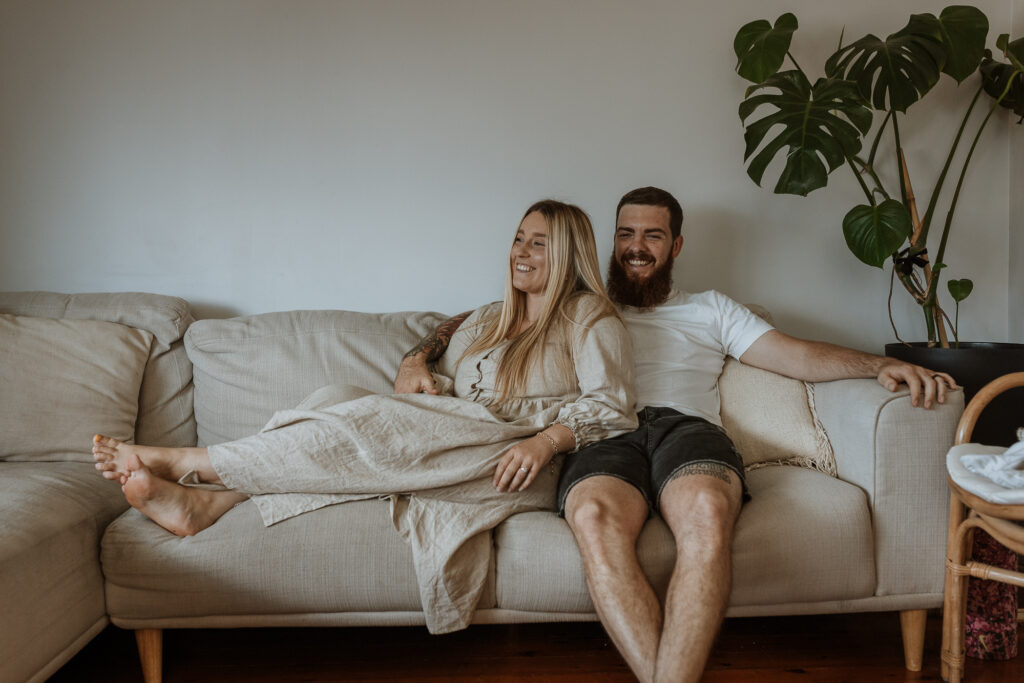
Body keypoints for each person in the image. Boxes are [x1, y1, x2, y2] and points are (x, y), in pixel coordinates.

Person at [393, 186, 958, 680]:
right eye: (626, 233)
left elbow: (797, 355)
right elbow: (473, 320)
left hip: (687, 429)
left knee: (708, 512)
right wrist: (417, 357)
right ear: (610, 241)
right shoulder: (577, 304)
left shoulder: (711, 310)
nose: (636, 246)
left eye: (653, 235)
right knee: (594, 519)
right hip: (600, 434)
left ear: (676, 245)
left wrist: (877, 364)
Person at [92, 199, 638, 634]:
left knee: (377, 422)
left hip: (516, 454)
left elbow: (612, 403)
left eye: (539, 243)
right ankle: (212, 502)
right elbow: (439, 366)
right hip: (455, 432)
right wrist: (418, 367)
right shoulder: (489, 318)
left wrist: (546, 441)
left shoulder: (588, 315)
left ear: (567, 254)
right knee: (334, 397)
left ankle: (193, 463)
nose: (521, 251)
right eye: (519, 238)